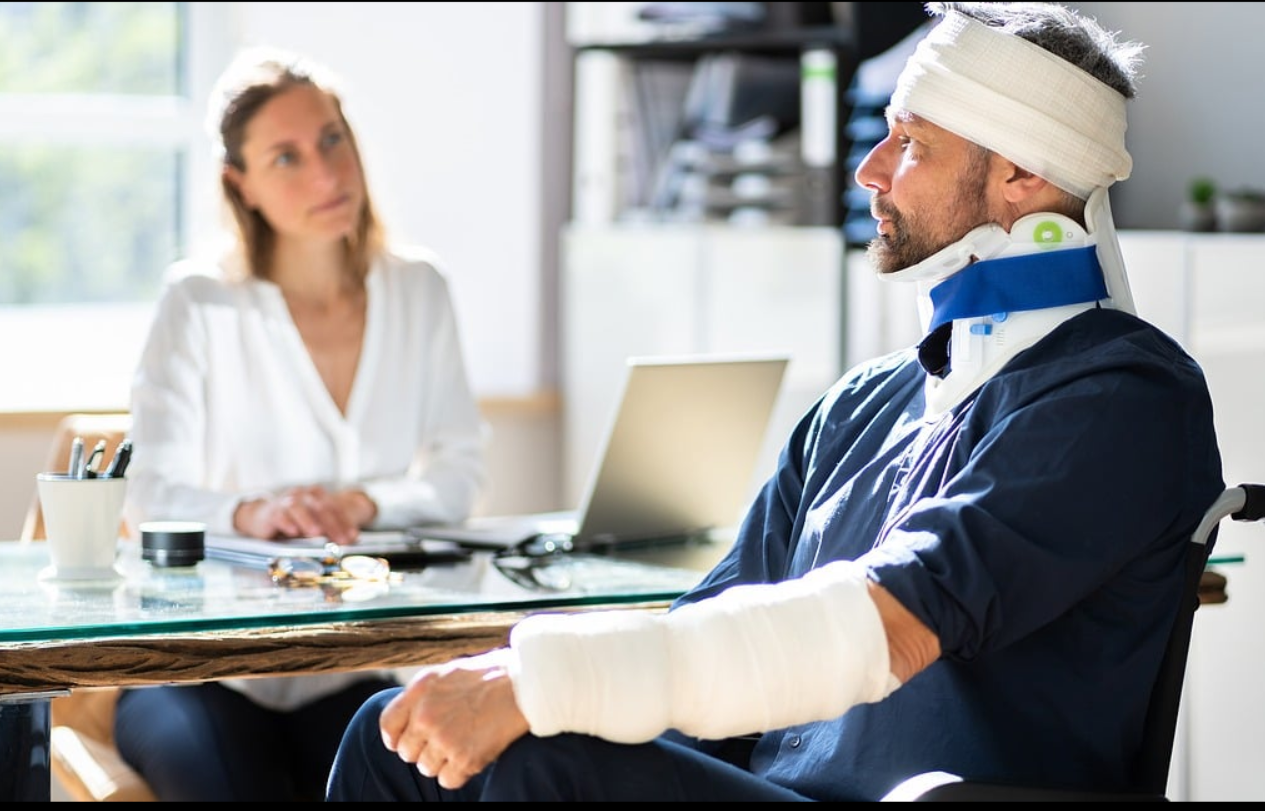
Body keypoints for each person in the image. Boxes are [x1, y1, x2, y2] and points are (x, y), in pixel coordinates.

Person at [325, 2, 1226, 802]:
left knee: (536, 760)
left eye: (911, 144)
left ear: (1023, 180)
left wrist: (541, 686)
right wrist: (518, 692)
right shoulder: (860, 407)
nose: (870, 169)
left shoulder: (1121, 400)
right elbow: (711, 635)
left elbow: (887, 625)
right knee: (397, 734)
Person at [114, 47, 489, 802]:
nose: (326, 173)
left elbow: (459, 475)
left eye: (331, 139)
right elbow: (146, 492)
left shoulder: (419, 290)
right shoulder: (199, 302)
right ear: (239, 185)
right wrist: (253, 512)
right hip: (202, 670)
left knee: (435, 779)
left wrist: (363, 505)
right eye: (286, 157)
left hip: (350, 663)